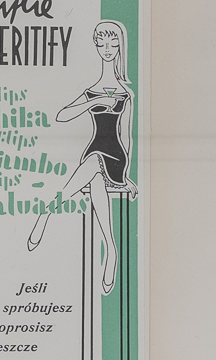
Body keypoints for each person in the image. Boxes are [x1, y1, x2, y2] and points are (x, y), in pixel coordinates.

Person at [27, 19, 135, 295]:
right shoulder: (91, 91)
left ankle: (47, 212)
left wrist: (126, 177)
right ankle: (111, 250)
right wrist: (94, 102)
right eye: (102, 43)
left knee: (96, 165)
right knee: (95, 179)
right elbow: (62, 115)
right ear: (96, 46)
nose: (107, 48)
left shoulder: (126, 94)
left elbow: (127, 136)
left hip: (114, 157)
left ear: (120, 47)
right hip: (93, 153)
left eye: (113, 43)